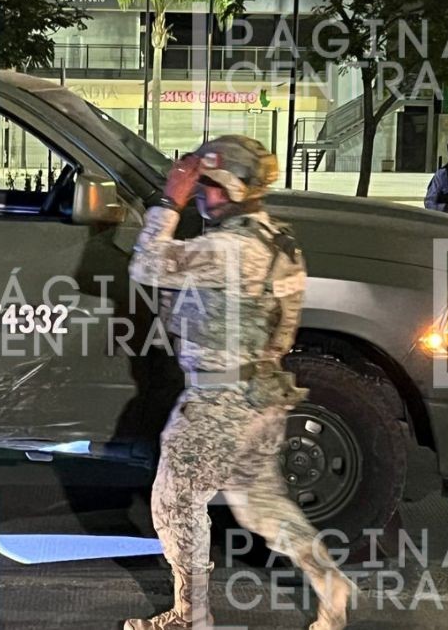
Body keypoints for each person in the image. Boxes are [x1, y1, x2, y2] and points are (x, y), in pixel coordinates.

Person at [126, 135, 353, 630]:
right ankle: (330, 583)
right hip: (262, 394)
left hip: (218, 401)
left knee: (175, 503)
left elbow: (146, 263)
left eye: (207, 184)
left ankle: (190, 616)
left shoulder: (230, 249)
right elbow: (281, 326)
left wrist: (170, 200)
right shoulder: (278, 239)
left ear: (232, 188)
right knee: (261, 504)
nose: (199, 192)